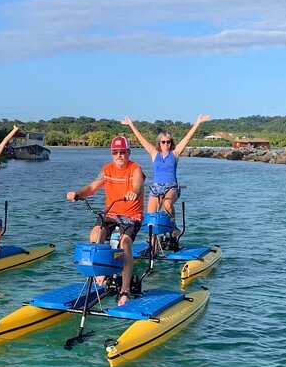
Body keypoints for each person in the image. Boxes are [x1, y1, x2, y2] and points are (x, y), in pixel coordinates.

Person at [66, 136, 145, 306]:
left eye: (122, 152)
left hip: (131, 216)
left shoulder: (135, 168)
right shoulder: (107, 169)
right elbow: (92, 187)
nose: (119, 156)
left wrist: (134, 192)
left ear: (128, 152)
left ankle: (125, 290)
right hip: (111, 213)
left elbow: (138, 184)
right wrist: (77, 194)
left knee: (125, 244)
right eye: (115, 152)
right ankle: (102, 271)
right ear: (112, 154)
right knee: (95, 234)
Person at [121, 114, 210, 221]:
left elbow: (187, 138)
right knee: (151, 219)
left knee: (167, 203)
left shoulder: (175, 153)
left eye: (168, 142)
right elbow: (142, 140)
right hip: (156, 188)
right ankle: (153, 238)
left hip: (172, 187)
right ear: (159, 143)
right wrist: (131, 125)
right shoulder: (154, 153)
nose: (166, 144)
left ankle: (173, 226)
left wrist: (198, 122)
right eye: (163, 142)